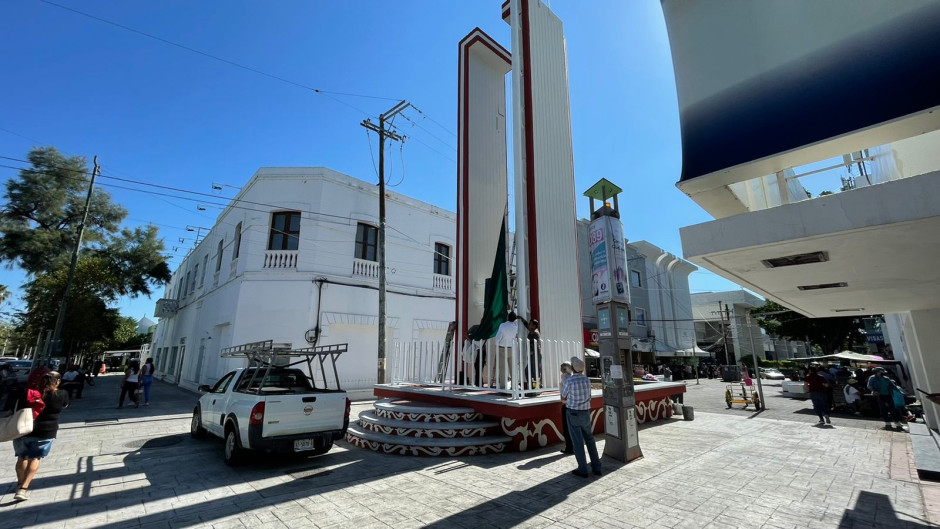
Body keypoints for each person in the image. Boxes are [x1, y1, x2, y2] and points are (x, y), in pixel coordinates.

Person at [12, 371, 68, 502]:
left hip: (24, 429)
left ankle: (20, 484)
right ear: (58, 382)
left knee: (22, 457)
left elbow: (16, 409)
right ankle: (24, 488)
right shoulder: (62, 394)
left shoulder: (29, 393)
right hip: (46, 431)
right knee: (35, 458)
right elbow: (64, 406)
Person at [562, 356, 601, 478]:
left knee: (578, 442)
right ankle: (597, 466)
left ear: (572, 368)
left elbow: (563, 398)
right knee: (590, 439)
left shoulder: (570, 381)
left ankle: (583, 469)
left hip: (573, 412)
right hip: (585, 412)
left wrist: (568, 402)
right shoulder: (587, 380)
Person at [493, 312, 521, 390]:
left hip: (502, 347)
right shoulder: (515, 325)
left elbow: (499, 336)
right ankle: (514, 385)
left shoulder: (503, 325)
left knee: (503, 369)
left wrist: (496, 344)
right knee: (512, 368)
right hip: (511, 348)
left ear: (508, 317)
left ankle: (503, 387)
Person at [558, 361, 574, 455]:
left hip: (567, 404)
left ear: (564, 369)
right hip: (574, 405)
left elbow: (564, 392)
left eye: (561, 367)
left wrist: (563, 399)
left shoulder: (565, 378)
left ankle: (569, 447)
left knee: (566, 428)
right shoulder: (571, 377)